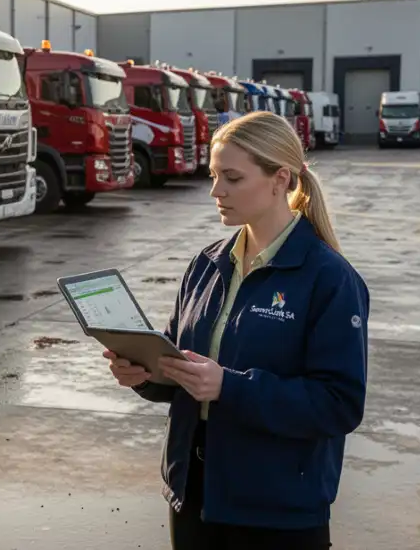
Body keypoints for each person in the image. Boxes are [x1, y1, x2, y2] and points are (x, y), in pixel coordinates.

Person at [104, 111, 369, 549]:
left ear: (280, 179)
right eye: (213, 175)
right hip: (195, 496)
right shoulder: (207, 264)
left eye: (231, 177)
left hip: (277, 511)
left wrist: (230, 387)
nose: (215, 191)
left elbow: (339, 405)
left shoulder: (329, 279)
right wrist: (146, 374)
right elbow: (180, 365)